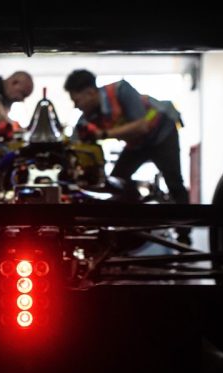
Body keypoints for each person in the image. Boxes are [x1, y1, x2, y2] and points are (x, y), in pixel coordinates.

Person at [63, 69, 191, 245]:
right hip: (137, 145)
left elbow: (142, 126)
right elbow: (74, 142)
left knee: (174, 182)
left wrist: (103, 134)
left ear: (90, 92)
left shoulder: (121, 90)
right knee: (117, 181)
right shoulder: (88, 116)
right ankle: (133, 226)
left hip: (162, 135)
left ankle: (184, 234)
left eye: (77, 100)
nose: (76, 106)